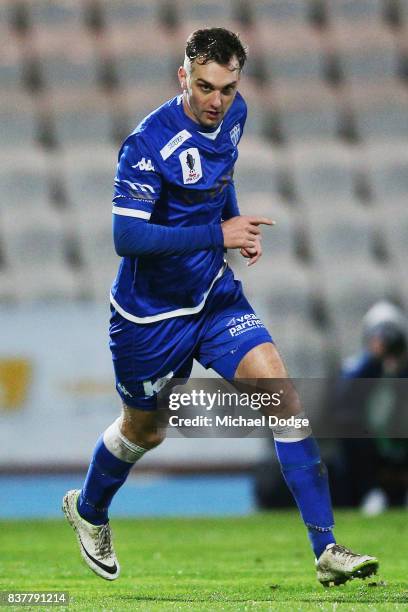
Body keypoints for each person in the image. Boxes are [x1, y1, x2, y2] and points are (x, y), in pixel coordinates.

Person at [62, 27, 378, 586]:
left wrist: (236, 228)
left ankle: (327, 549)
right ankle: (88, 508)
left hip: (212, 297)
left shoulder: (235, 116)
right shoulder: (146, 144)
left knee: (283, 396)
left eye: (227, 88)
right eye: (205, 86)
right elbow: (127, 239)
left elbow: (219, 182)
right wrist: (219, 232)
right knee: (146, 430)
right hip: (149, 319)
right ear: (183, 75)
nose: (216, 101)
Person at [331, 301, 408, 514]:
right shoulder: (357, 366)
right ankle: (370, 492)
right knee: (348, 425)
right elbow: (343, 399)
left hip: (398, 445)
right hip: (367, 450)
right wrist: (373, 359)